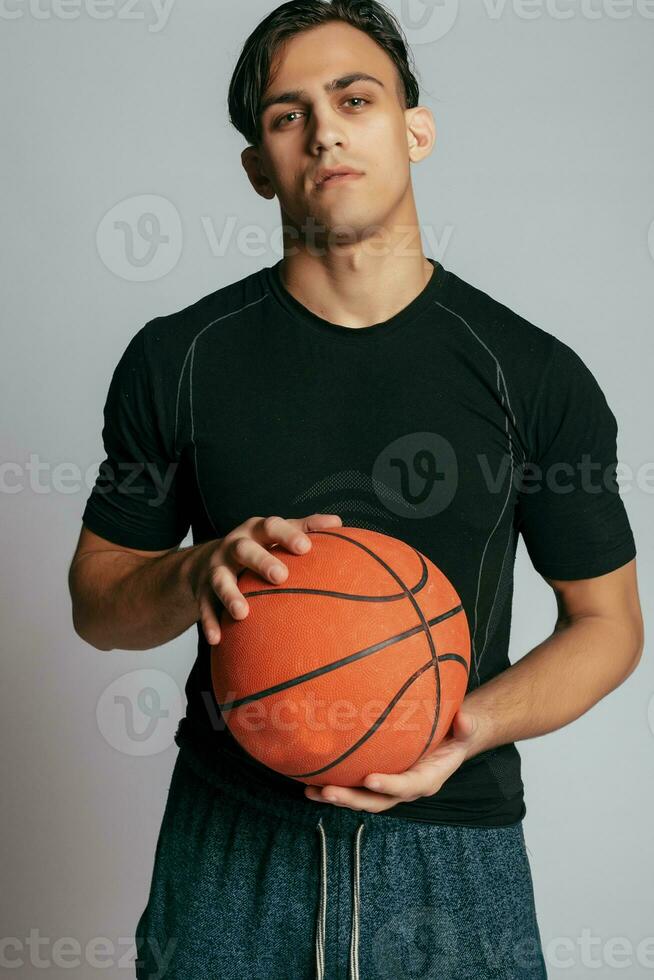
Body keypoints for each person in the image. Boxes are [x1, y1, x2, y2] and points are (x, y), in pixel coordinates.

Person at [68, 1, 644, 977]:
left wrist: (470, 726)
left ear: (413, 128)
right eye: (288, 114)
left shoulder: (531, 373)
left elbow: (610, 623)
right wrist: (192, 571)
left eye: (354, 97)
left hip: (453, 850)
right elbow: (96, 600)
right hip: (232, 842)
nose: (326, 127)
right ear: (259, 166)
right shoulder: (179, 359)